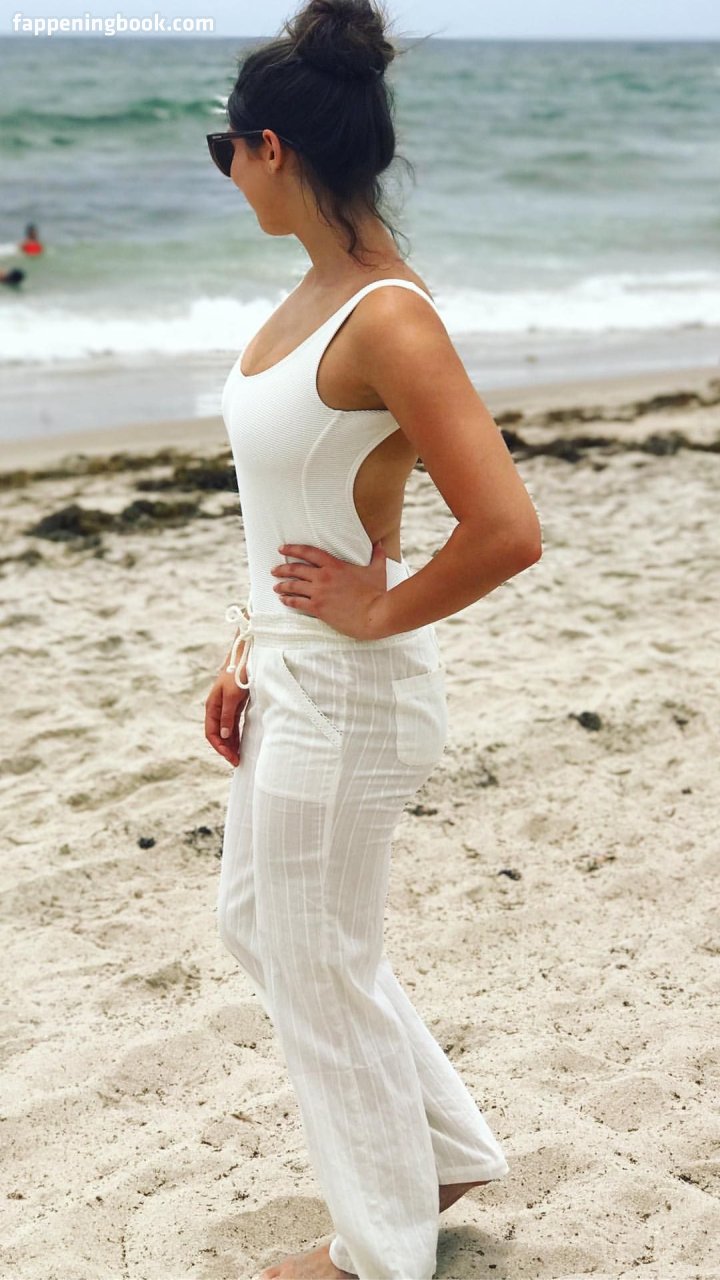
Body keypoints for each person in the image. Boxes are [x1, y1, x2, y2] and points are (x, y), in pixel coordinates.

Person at [204, 2, 542, 1277]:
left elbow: (506, 527)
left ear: (272, 148)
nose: (227, 172)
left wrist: (375, 609)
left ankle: (380, 1245)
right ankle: (442, 1149)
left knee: (315, 952)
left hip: (355, 692)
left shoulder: (390, 317)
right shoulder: (313, 295)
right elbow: (295, 510)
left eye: (225, 149)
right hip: (293, 673)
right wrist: (248, 645)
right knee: (263, 921)